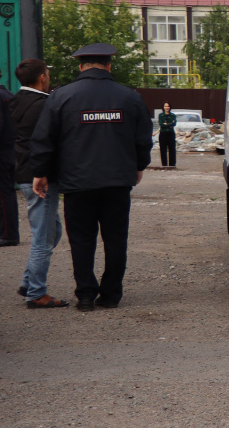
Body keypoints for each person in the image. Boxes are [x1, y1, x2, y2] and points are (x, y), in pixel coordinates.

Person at [28, 44, 153, 311]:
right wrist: (139, 165)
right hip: (118, 181)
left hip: (77, 182)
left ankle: (85, 295)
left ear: (80, 66)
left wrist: (40, 172)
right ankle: (111, 295)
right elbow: (143, 138)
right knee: (116, 238)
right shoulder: (129, 97)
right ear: (109, 66)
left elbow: (44, 139)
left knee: (82, 240)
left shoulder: (61, 97)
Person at [11, 60, 65, 307]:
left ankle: (28, 282)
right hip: (39, 177)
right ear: (42, 78)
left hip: (23, 172)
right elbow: (46, 142)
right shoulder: (44, 104)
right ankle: (36, 293)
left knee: (52, 231)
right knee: (43, 238)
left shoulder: (14, 101)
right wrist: (42, 172)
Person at [0, 67, 15, 246]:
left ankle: (7, 234)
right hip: (10, 150)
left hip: (0, 152)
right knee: (6, 192)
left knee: (1, 195)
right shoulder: (9, 95)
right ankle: (8, 232)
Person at [156, 102, 179, 168]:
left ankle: (172, 165)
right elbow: (161, 124)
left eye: (168, 106)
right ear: (163, 107)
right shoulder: (161, 115)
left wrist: (167, 124)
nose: (167, 108)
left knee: (172, 149)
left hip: (171, 133)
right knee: (163, 150)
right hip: (163, 133)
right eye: (165, 106)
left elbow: (173, 124)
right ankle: (164, 165)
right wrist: (168, 124)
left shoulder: (172, 115)